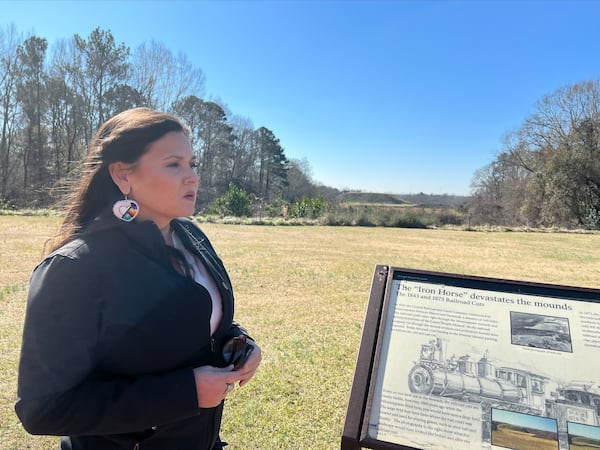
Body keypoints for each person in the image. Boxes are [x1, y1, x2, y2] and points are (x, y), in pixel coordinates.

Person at [15, 107, 262, 450]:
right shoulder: (75, 268)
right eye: (174, 164)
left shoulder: (192, 237)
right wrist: (184, 393)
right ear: (122, 175)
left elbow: (192, 324)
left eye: (193, 163)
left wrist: (237, 341)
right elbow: (43, 408)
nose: (192, 176)